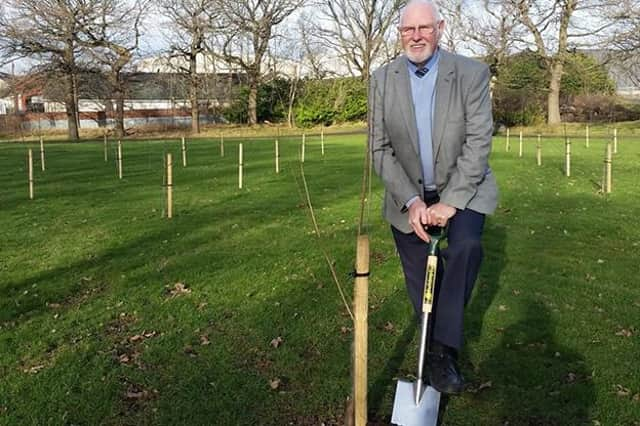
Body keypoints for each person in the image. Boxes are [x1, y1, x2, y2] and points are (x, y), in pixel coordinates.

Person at [369, 0, 498, 394]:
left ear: (440, 27)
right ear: (400, 33)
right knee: (421, 278)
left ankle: (441, 354)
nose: (417, 36)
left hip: (465, 188)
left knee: (465, 249)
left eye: (425, 28)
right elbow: (378, 148)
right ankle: (439, 350)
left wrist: (450, 203)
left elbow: (478, 143)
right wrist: (412, 202)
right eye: (409, 30)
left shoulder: (471, 74)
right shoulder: (381, 79)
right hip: (408, 193)